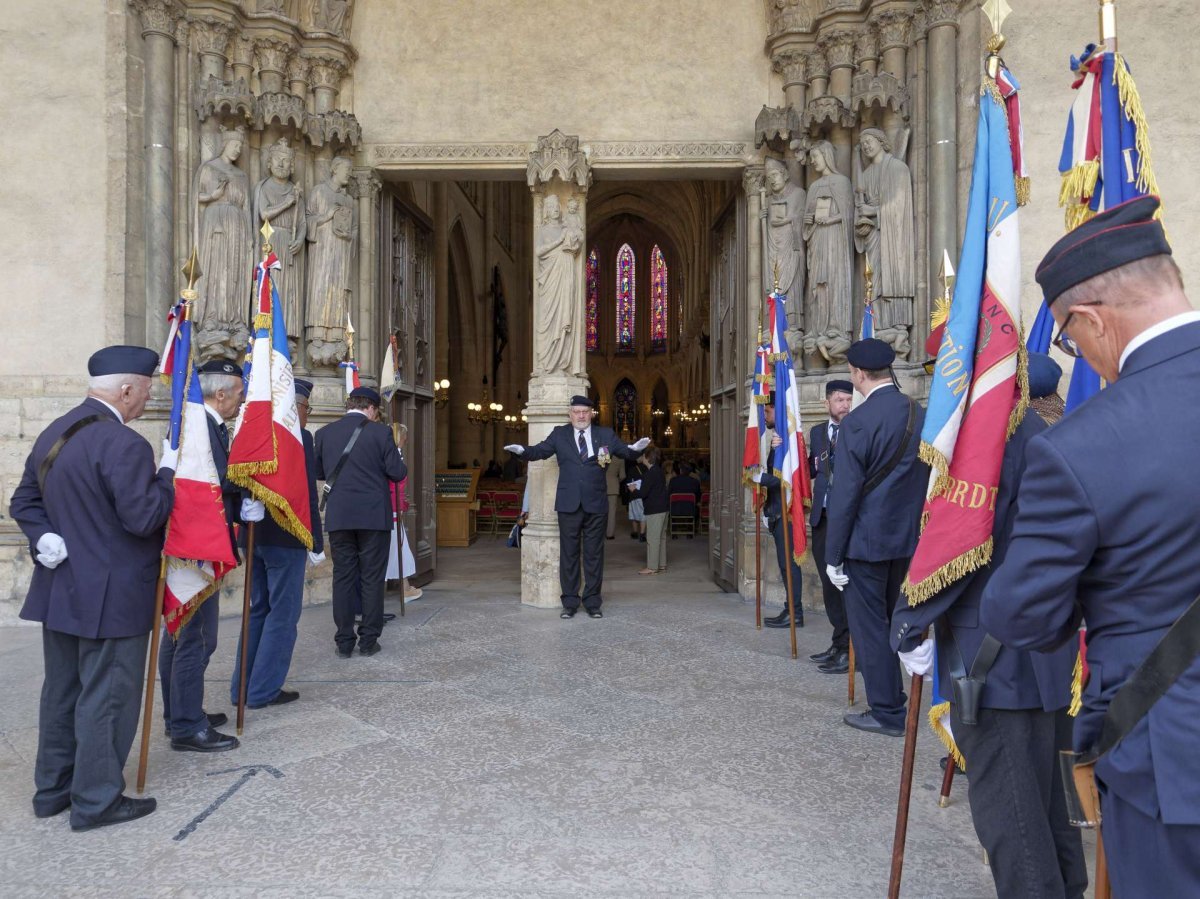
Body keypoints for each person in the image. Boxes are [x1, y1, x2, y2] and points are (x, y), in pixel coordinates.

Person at [981, 196, 1200, 896]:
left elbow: (1020, 615)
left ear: (1093, 318)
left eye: (1072, 341)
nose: (1082, 357)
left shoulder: (1084, 446)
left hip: (1175, 766)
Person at [890, 352, 1087, 899]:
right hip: (1042, 655)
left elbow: (964, 539)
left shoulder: (989, 435)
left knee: (1015, 829)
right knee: (1050, 818)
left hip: (997, 662)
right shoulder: (1032, 429)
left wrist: (909, 623)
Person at [9, 345, 174, 830]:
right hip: (115, 595)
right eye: (144, 392)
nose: (146, 401)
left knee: (62, 692)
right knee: (108, 698)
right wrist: (168, 477)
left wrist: (44, 536)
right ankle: (97, 800)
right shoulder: (125, 444)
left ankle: (52, 791)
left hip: (62, 590)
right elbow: (144, 518)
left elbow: (23, 500)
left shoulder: (54, 431)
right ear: (125, 390)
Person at [824, 338, 927, 736]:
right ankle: (900, 701)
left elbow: (846, 494)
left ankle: (888, 711)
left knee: (869, 629)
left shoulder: (858, 423)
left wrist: (834, 555)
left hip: (865, 544)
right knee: (896, 622)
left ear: (859, 374)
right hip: (906, 539)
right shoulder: (916, 413)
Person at [160, 358, 245, 753]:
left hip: (197, 541)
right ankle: (186, 724)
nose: (242, 402)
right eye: (240, 394)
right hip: (197, 546)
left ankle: (179, 710)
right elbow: (217, 478)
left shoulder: (204, 423)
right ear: (221, 392)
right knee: (196, 638)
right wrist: (252, 478)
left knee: (181, 636)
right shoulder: (200, 426)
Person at [504, 395, 649, 618]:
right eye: (576, 411)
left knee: (594, 555)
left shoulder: (605, 434)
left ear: (592, 413)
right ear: (570, 414)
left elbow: (625, 451)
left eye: (585, 411)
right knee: (569, 554)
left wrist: (637, 449)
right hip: (568, 503)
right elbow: (540, 451)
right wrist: (522, 450)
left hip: (596, 504)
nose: (580, 415)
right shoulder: (559, 434)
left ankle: (592, 602)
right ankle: (570, 602)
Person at [228, 378, 324, 711]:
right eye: (307, 409)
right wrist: (316, 540)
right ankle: (263, 690)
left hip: (254, 537)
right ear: (296, 407)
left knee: (258, 611)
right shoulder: (300, 438)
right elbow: (306, 495)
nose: (308, 416)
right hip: (287, 538)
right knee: (282, 615)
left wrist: (244, 506)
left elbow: (235, 474)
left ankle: (241, 688)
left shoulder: (252, 429)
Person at [315, 386, 408, 657]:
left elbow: (319, 471)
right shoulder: (381, 433)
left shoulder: (324, 433)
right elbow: (397, 472)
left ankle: (344, 641)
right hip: (373, 516)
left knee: (343, 577)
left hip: (340, 515)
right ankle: (368, 640)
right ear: (370, 408)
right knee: (371, 577)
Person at [802, 379, 853, 672]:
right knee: (827, 581)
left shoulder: (858, 429)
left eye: (848, 400)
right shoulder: (818, 432)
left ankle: (850, 648)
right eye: (839, 401)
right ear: (827, 403)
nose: (845, 406)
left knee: (845, 583)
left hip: (846, 518)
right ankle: (838, 642)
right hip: (821, 517)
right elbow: (812, 469)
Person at [752, 399, 804, 629]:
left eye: (768, 410)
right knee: (785, 565)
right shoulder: (778, 438)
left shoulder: (788, 438)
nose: (764, 415)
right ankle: (791, 609)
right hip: (776, 511)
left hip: (787, 512)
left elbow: (787, 479)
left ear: (779, 411)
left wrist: (759, 478)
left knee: (789, 565)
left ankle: (795, 612)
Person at [385, 423, 421, 601]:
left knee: (397, 548)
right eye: (404, 437)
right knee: (398, 549)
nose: (406, 440)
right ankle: (405, 589)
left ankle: (405, 586)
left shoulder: (394, 455)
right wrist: (399, 506)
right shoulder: (391, 457)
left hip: (391, 508)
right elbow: (394, 486)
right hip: (389, 509)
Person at [628, 446, 668, 574]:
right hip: (663, 508)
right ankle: (661, 564)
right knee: (661, 538)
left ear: (647, 458)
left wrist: (633, 489)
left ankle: (652, 567)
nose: (642, 458)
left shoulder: (650, 473)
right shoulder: (660, 470)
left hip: (654, 509)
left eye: (644, 455)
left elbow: (643, 493)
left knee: (652, 539)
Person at [604, 451, 626, 540]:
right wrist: (616, 480)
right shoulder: (620, 456)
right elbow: (622, 475)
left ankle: (600, 532)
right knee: (612, 512)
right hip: (613, 486)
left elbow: (600, 469)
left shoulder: (604, 451)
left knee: (600, 511)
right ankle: (610, 534)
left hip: (602, 485)